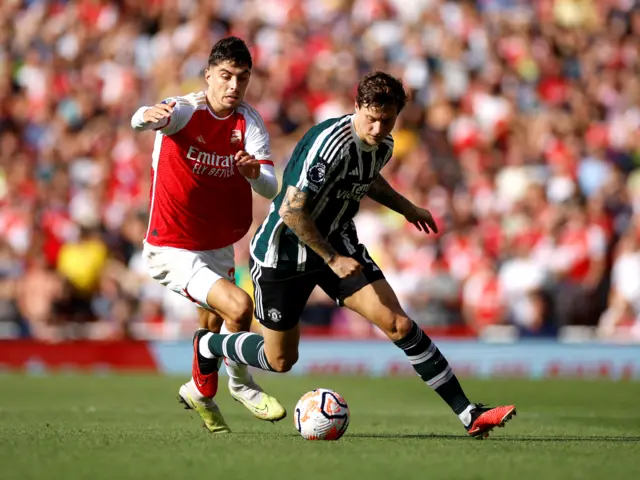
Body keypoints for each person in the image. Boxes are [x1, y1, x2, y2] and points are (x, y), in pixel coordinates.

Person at [190, 71, 516, 438]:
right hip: (283, 254)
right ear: (356, 106)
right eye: (371, 118)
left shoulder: (384, 144)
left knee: (399, 325)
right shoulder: (329, 145)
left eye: (386, 120)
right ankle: (208, 344)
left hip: (336, 242)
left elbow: (367, 177)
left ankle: (468, 413)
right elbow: (292, 212)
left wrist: (406, 207)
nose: (377, 128)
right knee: (279, 359)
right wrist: (332, 259)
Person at [130, 37, 285, 433]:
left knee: (214, 324)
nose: (234, 86)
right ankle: (241, 384)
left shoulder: (248, 121)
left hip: (216, 242)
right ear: (208, 77)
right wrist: (147, 114)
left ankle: (199, 393)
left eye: (242, 78)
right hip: (171, 245)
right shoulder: (186, 110)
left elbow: (270, 186)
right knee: (239, 307)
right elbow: (146, 118)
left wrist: (253, 173)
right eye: (226, 76)